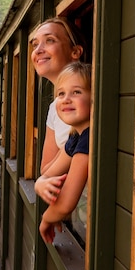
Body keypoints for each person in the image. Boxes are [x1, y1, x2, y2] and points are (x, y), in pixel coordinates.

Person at [35, 61, 92, 244]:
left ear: (94, 98)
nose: (66, 99)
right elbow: (48, 172)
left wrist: (46, 219)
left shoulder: (89, 138)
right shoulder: (75, 135)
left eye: (76, 92)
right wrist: (39, 185)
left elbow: (65, 204)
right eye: (61, 93)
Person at [29, 17, 85, 174]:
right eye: (35, 44)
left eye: (49, 40)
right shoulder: (54, 108)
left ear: (75, 52)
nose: (38, 50)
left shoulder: (88, 100)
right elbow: (45, 170)